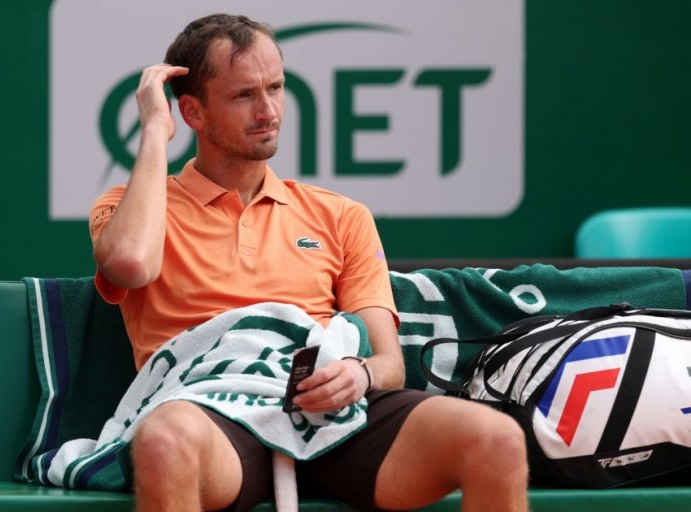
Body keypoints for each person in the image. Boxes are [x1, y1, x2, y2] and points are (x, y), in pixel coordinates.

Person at [89, 13, 529, 512]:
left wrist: (359, 375)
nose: (268, 111)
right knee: (164, 440)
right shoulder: (131, 207)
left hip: (331, 413)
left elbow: (389, 365)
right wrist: (153, 130)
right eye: (244, 95)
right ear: (192, 112)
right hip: (211, 411)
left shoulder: (341, 215)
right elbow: (130, 263)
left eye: (276, 88)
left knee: (497, 440)